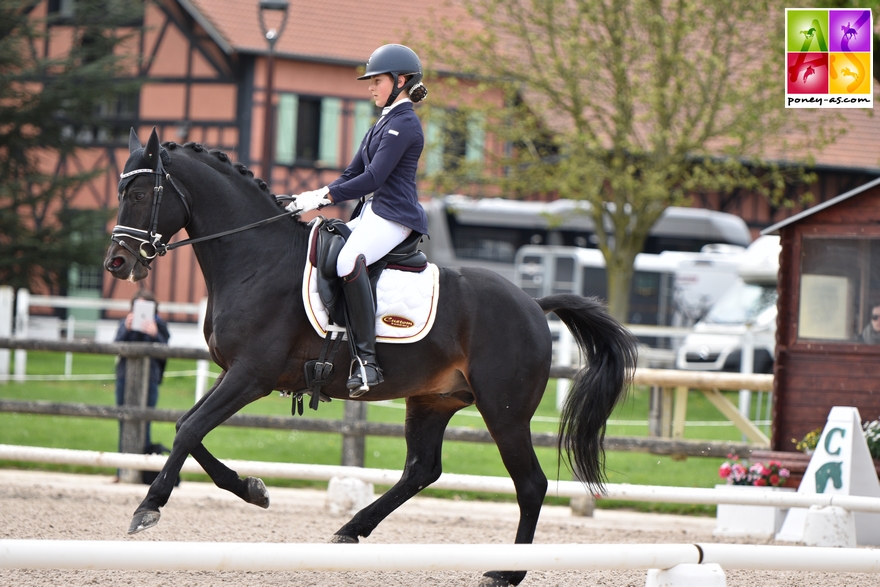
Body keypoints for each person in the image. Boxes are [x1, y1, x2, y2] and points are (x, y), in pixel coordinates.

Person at [285, 44, 429, 397]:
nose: (370, 87)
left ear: (401, 81)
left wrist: (324, 198)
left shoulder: (405, 124)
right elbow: (352, 172)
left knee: (349, 259)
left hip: (394, 216)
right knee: (320, 245)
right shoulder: (383, 122)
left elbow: (374, 178)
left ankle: (367, 362)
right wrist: (307, 197)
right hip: (372, 214)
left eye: (376, 80)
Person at [114, 289, 170, 452]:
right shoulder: (125, 323)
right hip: (125, 378)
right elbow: (115, 347)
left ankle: (142, 469)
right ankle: (121, 470)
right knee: (124, 421)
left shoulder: (160, 326)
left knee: (145, 422)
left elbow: (165, 351)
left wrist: (154, 334)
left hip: (150, 379)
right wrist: (126, 328)